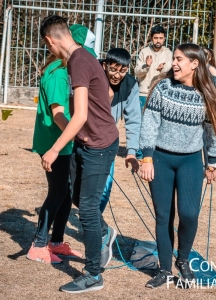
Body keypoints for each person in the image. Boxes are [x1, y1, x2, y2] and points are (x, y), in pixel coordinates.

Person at [40, 16, 119, 293]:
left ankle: (93, 274)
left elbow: (81, 113)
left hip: (99, 146)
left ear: (50, 40)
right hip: (88, 141)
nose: (48, 50)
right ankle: (105, 232)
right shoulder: (82, 58)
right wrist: (88, 126)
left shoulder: (78, 60)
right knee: (76, 198)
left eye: (46, 46)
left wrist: (54, 148)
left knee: (86, 208)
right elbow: (106, 93)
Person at [139, 44, 216, 288]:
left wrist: (212, 163)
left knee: (189, 213)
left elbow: (214, 131)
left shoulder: (208, 93)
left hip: (190, 162)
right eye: (174, 59)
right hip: (161, 161)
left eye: (179, 59)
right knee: (163, 216)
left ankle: (183, 260)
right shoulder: (163, 87)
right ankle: (165, 269)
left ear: (195, 64)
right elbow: (150, 122)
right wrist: (147, 157)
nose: (173, 63)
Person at [27, 54, 82, 264]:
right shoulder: (58, 74)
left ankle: (56, 242)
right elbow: (58, 114)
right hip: (54, 142)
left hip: (60, 142)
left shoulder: (58, 70)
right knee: (58, 192)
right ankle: (38, 245)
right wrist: (75, 134)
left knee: (65, 193)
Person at [99, 48, 141, 216]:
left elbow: (134, 119)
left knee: (104, 188)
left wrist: (131, 151)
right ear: (105, 66)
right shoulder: (93, 76)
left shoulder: (130, 85)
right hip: (85, 140)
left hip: (108, 143)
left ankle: (94, 226)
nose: (117, 75)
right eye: (113, 69)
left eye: (122, 71)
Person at [134, 25, 173, 111]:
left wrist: (163, 68)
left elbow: (171, 73)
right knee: (142, 121)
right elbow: (137, 72)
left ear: (164, 38)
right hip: (144, 93)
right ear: (151, 38)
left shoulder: (168, 53)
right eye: (156, 38)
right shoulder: (144, 52)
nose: (158, 40)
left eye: (160, 38)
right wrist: (146, 66)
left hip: (162, 93)